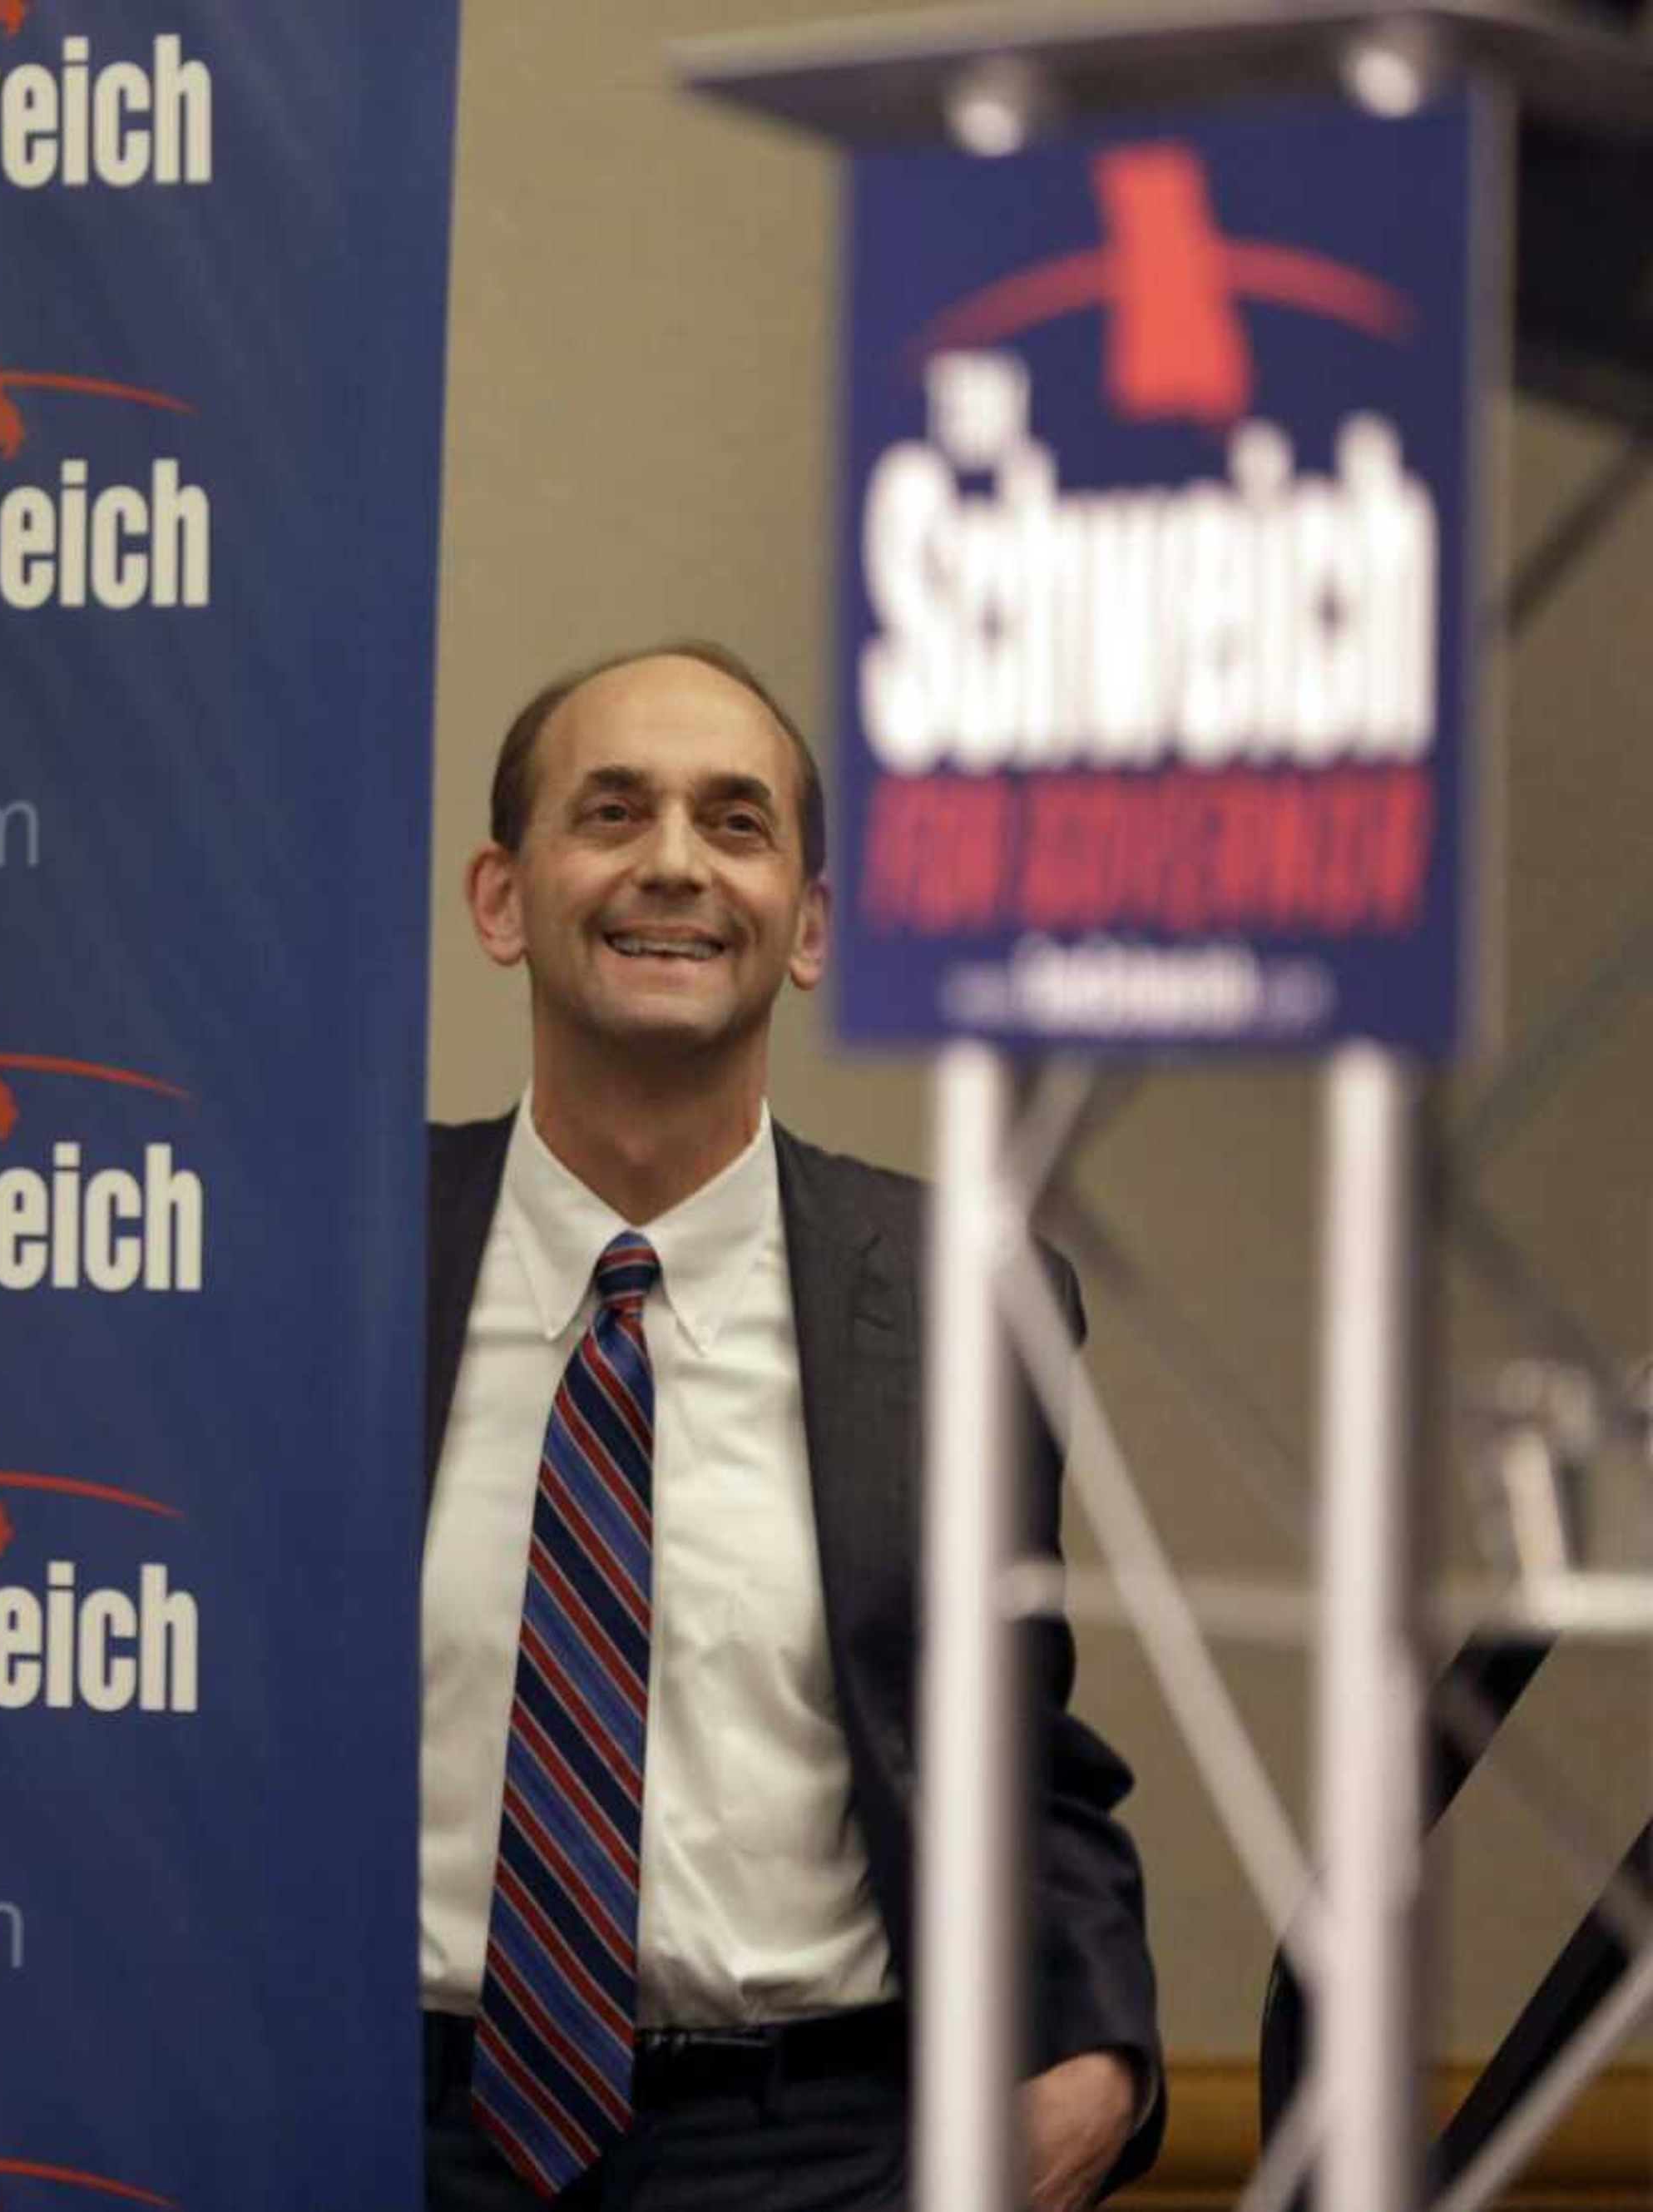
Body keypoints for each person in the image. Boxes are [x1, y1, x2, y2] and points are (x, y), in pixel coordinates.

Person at [418, 644, 1163, 2210]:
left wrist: (1093, 2063)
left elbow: (1007, 1739)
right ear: (503, 899)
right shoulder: (336, 1263)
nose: (673, 862)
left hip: (807, 2148)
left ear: (809, 923)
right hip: (388, 2128)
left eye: (736, 822)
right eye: (611, 811)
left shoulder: (970, 1302)